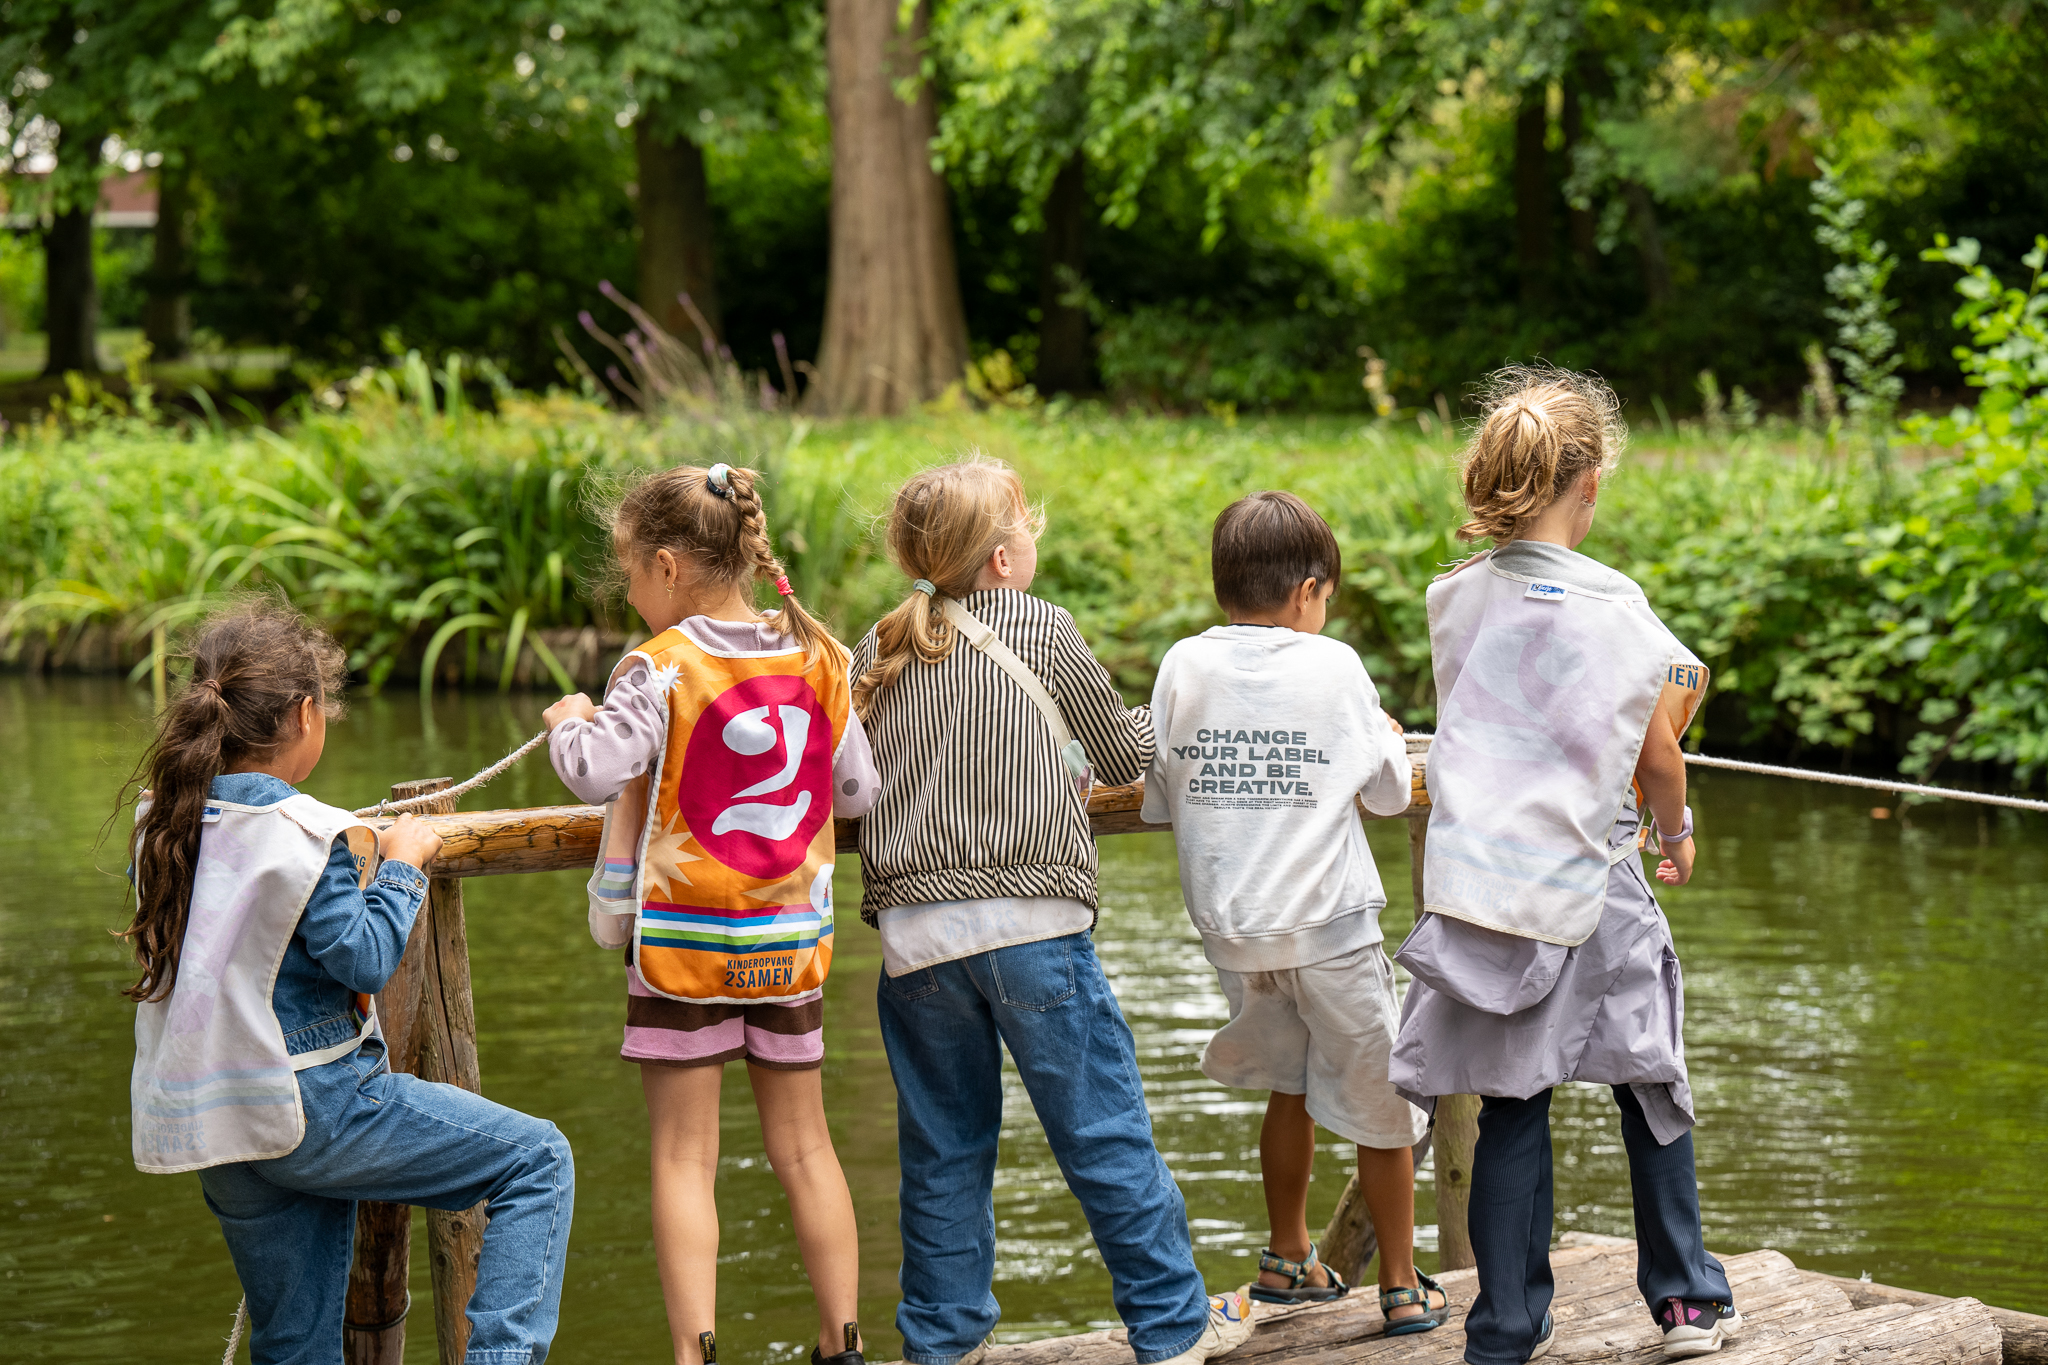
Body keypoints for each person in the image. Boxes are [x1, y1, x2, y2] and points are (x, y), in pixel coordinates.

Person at [849, 457, 1254, 1365]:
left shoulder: (879, 645)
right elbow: (1121, 756)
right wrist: (1184, 722)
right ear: (1001, 559)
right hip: (1031, 927)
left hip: (916, 941)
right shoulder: (1040, 627)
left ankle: (944, 1344)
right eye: (1028, 524)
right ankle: (1173, 1326)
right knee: (1103, 1132)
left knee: (943, 1152)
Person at [1388, 366, 1737, 1363]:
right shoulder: (1616, 605)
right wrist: (1672, 834)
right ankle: (1682, 1304)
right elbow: (1657, 751)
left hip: (1481, 888)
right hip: (1590, 880)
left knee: (1508, 1097)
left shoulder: (1449, 598)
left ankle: (1501, 1331)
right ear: (1587, 488)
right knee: (1648, 1078)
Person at [121, 604, 574, 1365]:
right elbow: (363, 958)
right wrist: (402, 863)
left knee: (295, 1344)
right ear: (305, 714)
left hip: (221, 1123)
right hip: (313, 1106)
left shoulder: (161, 821)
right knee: (537, 1161)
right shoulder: (307, 830)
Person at [543, 461, 877, 1365]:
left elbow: (590, 769)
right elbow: (858, 789)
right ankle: (841, 1341)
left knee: (684, 1157)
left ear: (665, 565)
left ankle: (695, 1355)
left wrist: (568, 714)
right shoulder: (821, 652)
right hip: (788, 944)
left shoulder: (657, 667)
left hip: (684, 946)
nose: (631, 594)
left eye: (630, 574)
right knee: (806, 1148)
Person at [1141, 490, 1445, 1333]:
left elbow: (1164, 798)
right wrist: (1386, 735)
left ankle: (1288, 1256)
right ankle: (1399, 1281)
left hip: (1234, 934)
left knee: (1290, 1083)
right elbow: (1387, 792)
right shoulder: (1334, 666)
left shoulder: (1181, 666)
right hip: (1329, 926)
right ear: (1311, 589)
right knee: (1384, 1104)